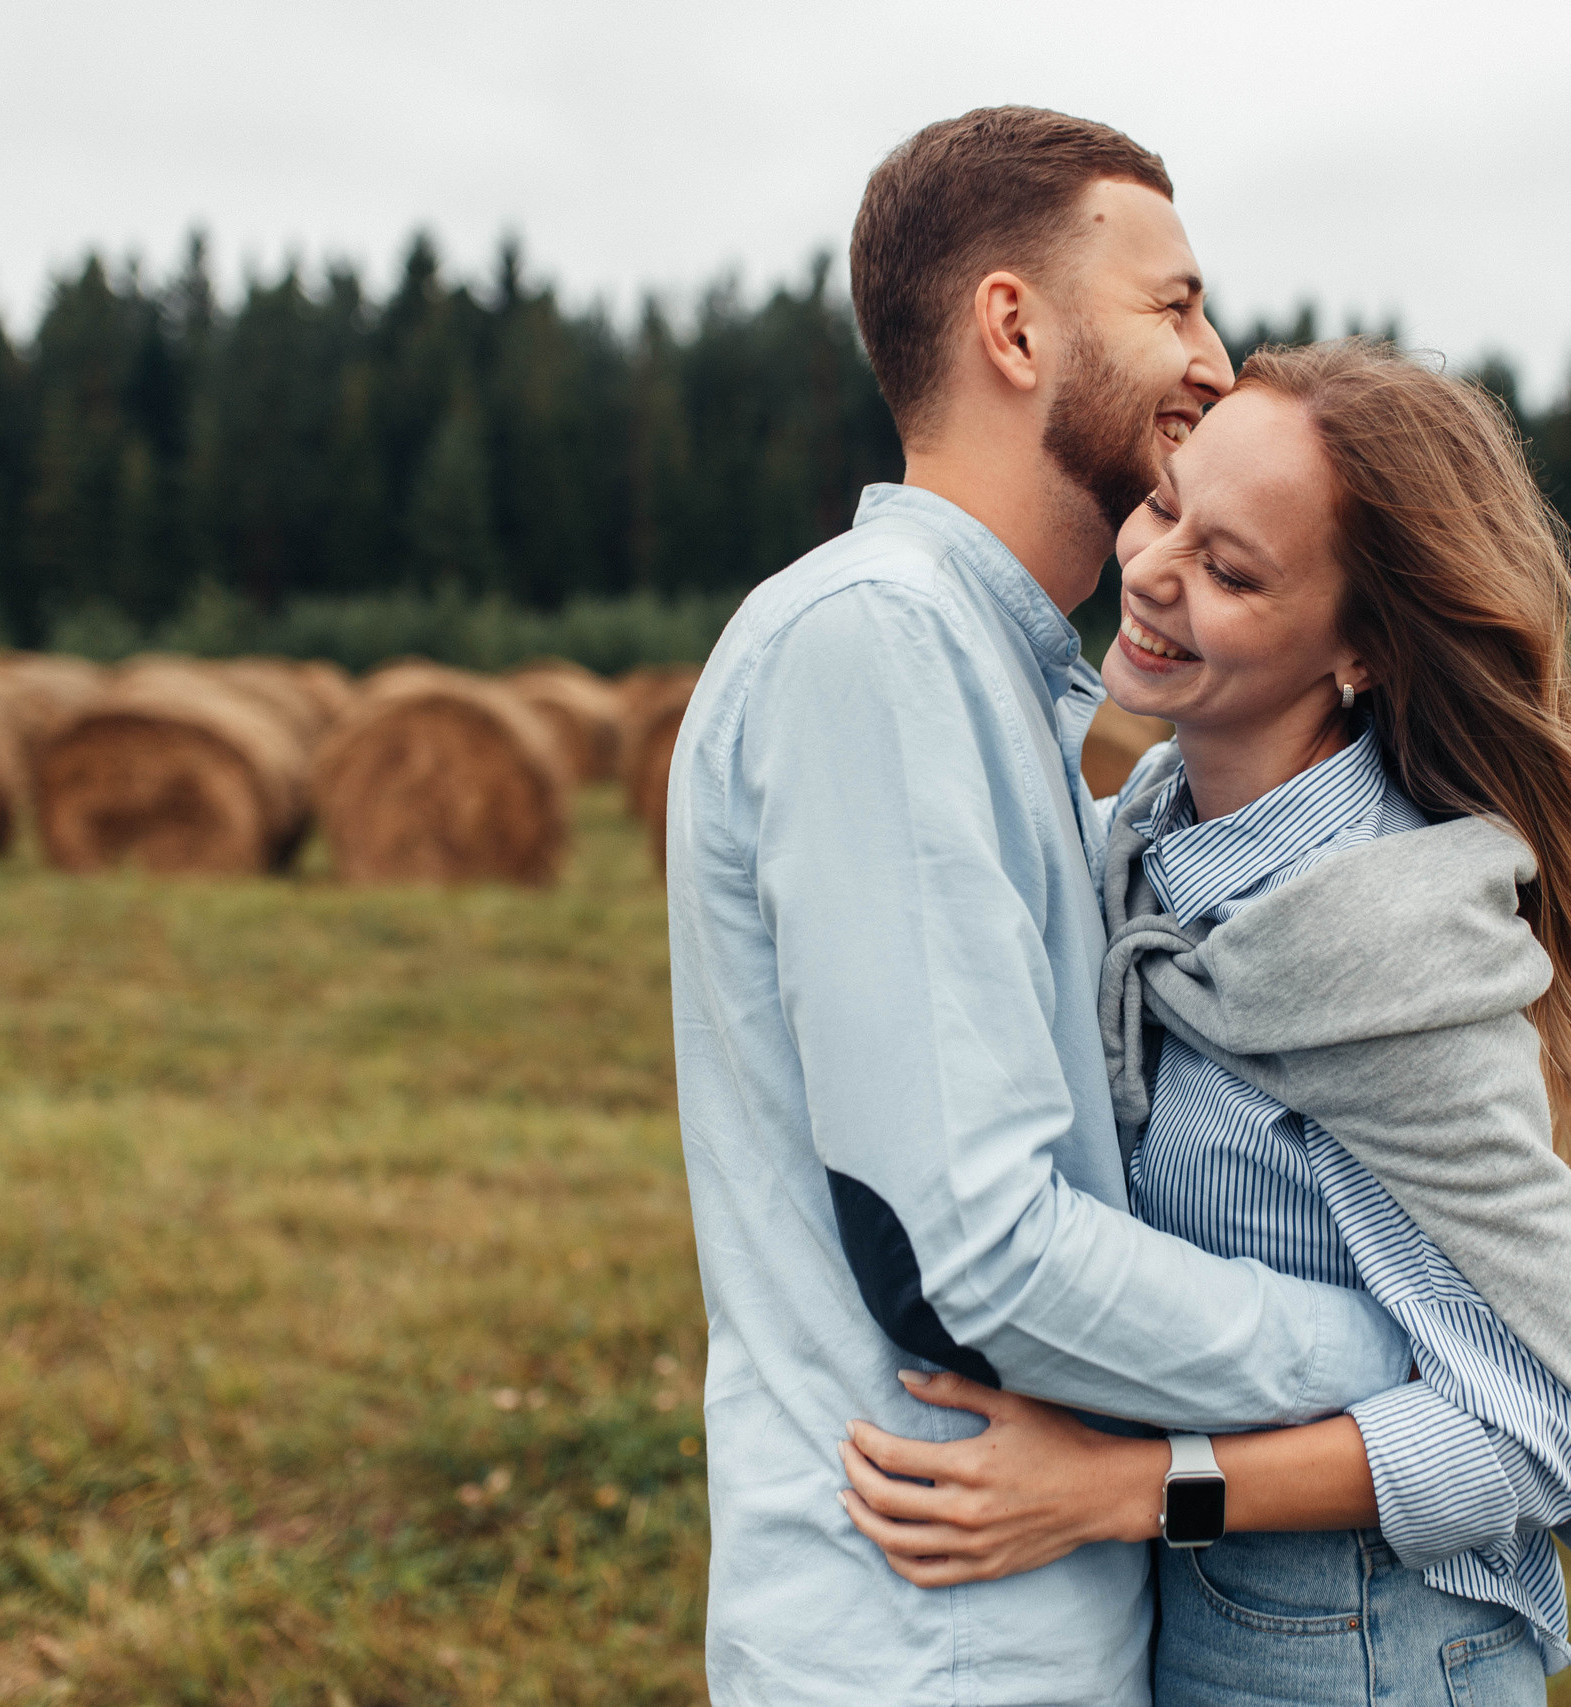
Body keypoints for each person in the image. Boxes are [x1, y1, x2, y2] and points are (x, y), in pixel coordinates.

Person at [663, 110, 1423, 1707]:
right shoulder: (879, 648)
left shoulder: (995, 677)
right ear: (1014, 326)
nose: (1217, 361)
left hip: (1009, 1626)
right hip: (927, 1644)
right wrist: (1390, 1348)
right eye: (1174, 306)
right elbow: (976, 1258)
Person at [838, 340, 1571, 1703]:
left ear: (1359, 647)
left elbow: (1525, 1436)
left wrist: (1124, 1490)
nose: (1155, 571)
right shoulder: (1146, 841)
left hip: (1362, 1637)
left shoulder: (1382, 951)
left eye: (1233, 571)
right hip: (1199, 1599)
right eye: (1164, 505)